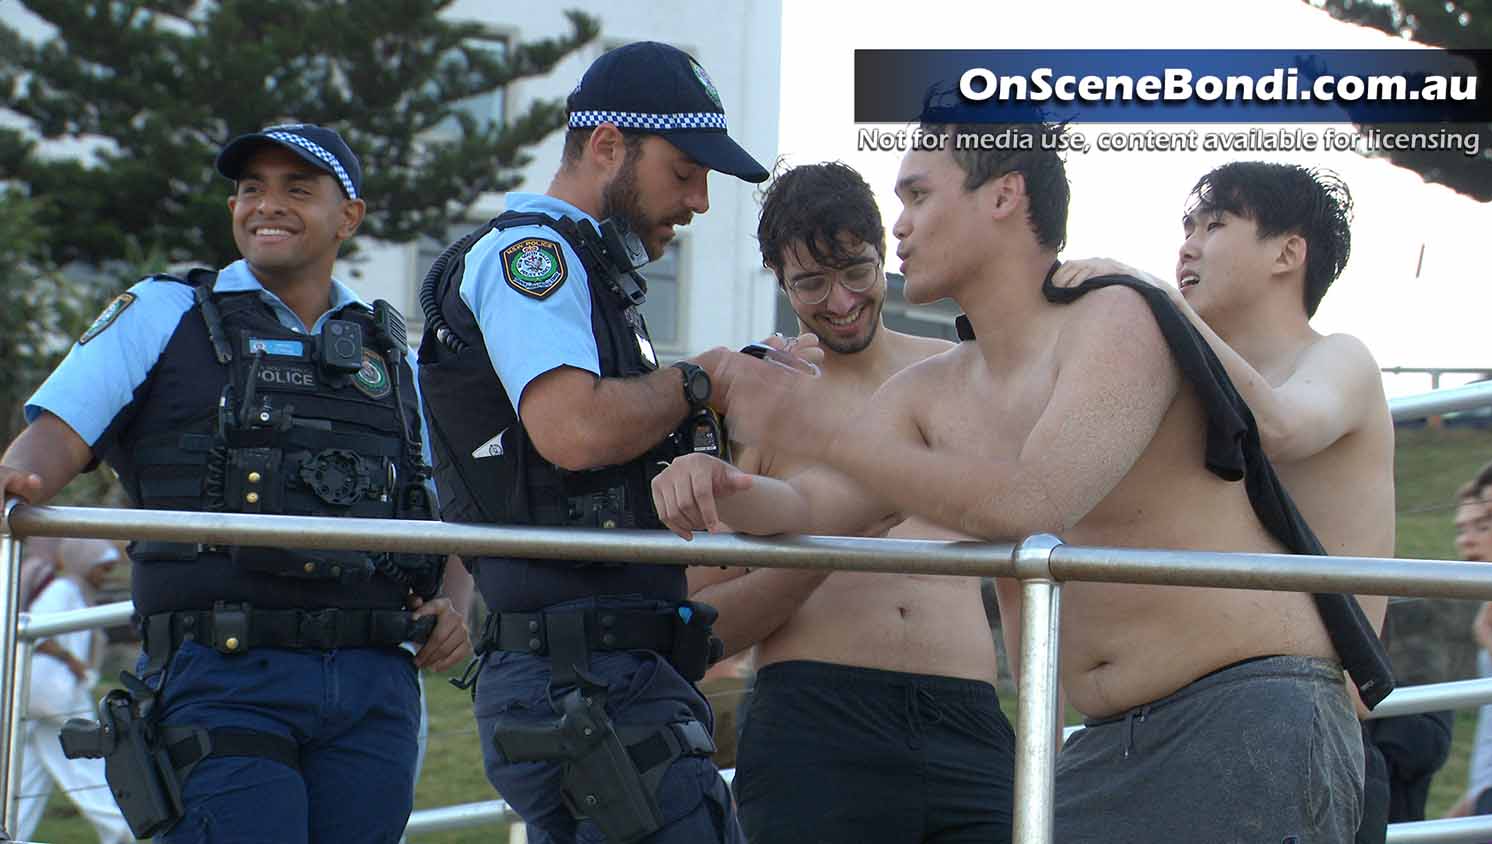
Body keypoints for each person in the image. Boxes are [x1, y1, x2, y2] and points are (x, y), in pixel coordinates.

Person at [657, 119, 1366, 841]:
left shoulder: (1115, 313)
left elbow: (1039, 502)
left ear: (1003, 195)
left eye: (918, 195)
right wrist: (717, 484)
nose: (899, 226)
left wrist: (815, 429)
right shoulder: (936, 386)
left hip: (1241, 712)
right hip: (1102, 739)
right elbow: (816, 502)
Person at [0, 123, 470, 843]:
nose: (266, 205)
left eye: (296, 189)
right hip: (221, 680)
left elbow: (452, 502)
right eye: (251, 189)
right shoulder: (162, 311)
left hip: (375, 687)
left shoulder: (390, 351)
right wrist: (14, 478)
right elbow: (47, 448)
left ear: (350, 216)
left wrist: (456, 598)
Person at [417, 41, 769, 844]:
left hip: (597, 674)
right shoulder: (530, 255)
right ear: (608, 144)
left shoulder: (591, 269)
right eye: (685, 172)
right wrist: (700, 379)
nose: (701, 201)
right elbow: (572, 430)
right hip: (586, 680)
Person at [658, 161, 1013, 843]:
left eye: (857, 271)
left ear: (885, 257)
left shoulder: (962, 373)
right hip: (816, 724)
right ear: (778, 280)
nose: (842, 300)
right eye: (811, 283)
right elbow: (698, 624)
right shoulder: (755, 399)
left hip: (970, 719)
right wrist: (818, 554)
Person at [1051, 161, 1398, 839]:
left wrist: (1155, 300)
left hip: (1284, 726)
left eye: (1214, 225)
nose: (1186, 246)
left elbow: (1283, 427)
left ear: (1288, 252)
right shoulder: (1184, 373)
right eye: (1185, 228)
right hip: (1132, 729)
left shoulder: (1338, 359)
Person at [13, 538, 132, 844]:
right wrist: (73, 662)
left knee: (31, 770)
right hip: (54, 692)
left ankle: (13, 832)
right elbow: (34, 632)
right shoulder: (62, 590)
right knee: (89, 765)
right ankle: (119, 829)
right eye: (101, 569)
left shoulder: (77, 592)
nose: (103, 577)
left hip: (48, 695)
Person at [1451, 460, 1492, 821]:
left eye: (1482, 524)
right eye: (1462, 528)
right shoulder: (1490, 606)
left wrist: (1486, 637)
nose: (1469, 538)